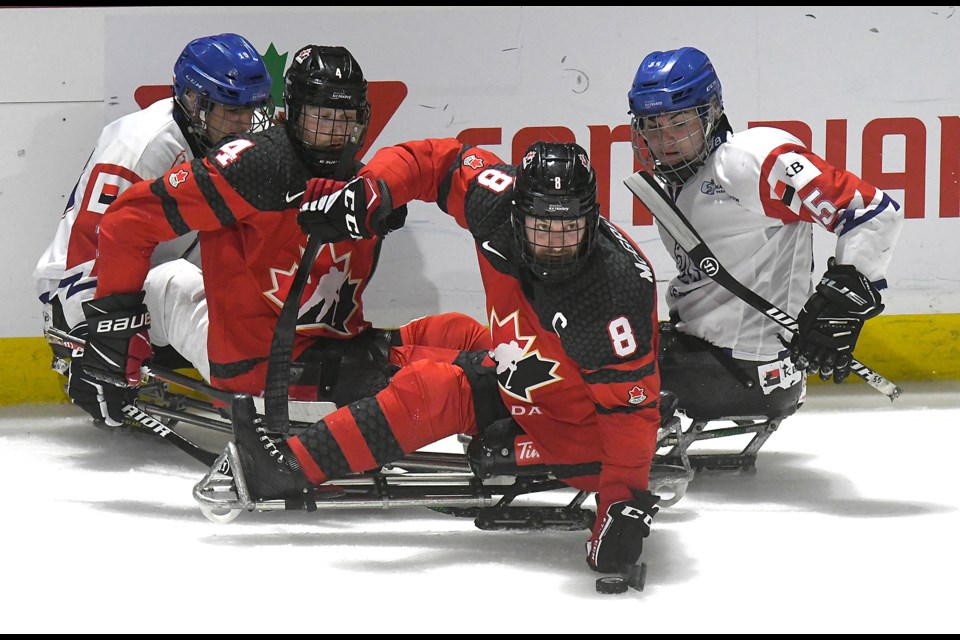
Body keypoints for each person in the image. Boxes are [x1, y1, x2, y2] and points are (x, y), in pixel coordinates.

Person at [216, 138, 664, 574]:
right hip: (526, 368)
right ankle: (351, 395)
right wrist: (371, 189)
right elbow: (434, 161)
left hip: (576, 434)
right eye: (541, 226)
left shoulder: (612, 296)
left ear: (593, 220)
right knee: (450, 330)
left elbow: (631, 412)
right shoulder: (495, 201)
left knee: (428, 390)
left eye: (570, 228)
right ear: (516, 212)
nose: (555, 244)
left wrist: (621, 503)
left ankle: (287, 468)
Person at [73, 44, 488, 426]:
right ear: (290, 114)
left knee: (462, 334)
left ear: (363, 120)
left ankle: (535, 394)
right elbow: (128, 219)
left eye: (344, 119)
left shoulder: (361, 179)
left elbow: (429, 161)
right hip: (260, 371)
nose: (333, 133)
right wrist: (113, 330)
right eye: (320, 118)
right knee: (455, 382)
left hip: (334, 348)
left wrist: (381, 193)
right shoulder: (253, 167)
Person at [626, 47, 903, 428]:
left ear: (711, 113)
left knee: (587, 371)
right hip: (715, 360)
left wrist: (842, 302)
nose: (665, 138)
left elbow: (873, 212)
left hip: (739, 372)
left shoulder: (743, 163)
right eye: (652, 125)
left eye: (679, 122)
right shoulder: (675, 182)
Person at [34, 32, 274, 426]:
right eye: (230, 110)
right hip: (88, 303)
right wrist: (101, 342)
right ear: (195, 102)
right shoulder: (140, 149)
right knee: (179, 282)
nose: (245, 123)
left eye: (252, 109)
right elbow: (87, 255)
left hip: (153, 275)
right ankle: (263, 412)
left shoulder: (221, 138)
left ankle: (280, 381)